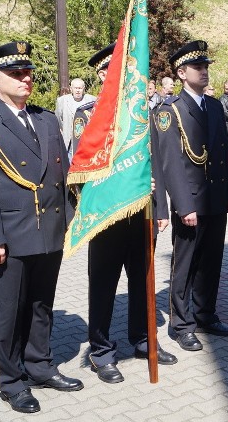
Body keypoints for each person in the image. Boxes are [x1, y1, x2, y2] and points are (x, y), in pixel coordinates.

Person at [0, 42, 83, 414]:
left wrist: (69, 221)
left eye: (28, 72)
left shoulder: (44, 118)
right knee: (9, 309)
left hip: (49, 231)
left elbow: (60, 174)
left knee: (42, 304)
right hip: (9, 237)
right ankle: (11, 381)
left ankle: (39, 365)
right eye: (16, 74)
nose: (26, 78)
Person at [75, 43, 177, 385]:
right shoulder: (87, 116)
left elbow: (156, 164)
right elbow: (82, 171)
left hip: (142, 214)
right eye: (112, 72)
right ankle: (101, 352)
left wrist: (160, 206)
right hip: (107, 217)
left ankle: (144, 339)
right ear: (102, 75)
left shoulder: (141, 112)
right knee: (103, 286)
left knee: (143, 282)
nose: (119, 77)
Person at [151, 40, 228, 352]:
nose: (204, 72)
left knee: (212, 260)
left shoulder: (214, 106)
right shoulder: (169, 111)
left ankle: (205, 314)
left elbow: (223, 155)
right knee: (185, 264)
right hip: (191, 202)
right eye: (198, 68)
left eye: (205, 67)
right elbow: (170, 163)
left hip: (215, 197)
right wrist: (183, 205)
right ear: (181, 73)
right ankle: (181, 323)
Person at [55, 78, 95, 156]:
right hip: (69, 141)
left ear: (84, 89)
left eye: (80, 88)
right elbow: (58, 119)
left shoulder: (92, 100)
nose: (77, 91)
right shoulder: (62, 101)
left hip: (86, 141)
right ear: (71, 89)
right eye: (75, 88)